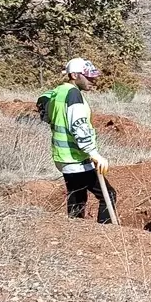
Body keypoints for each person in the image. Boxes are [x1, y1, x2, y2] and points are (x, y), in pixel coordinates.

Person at [39, 58, 117, 223]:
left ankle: (74, 231)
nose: (93, 81)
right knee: (108, 195)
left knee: (77, 198)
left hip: (62, 157)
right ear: (74, 75)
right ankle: (106, 234)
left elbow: (42, 99)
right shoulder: (74, 95)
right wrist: (94, 154)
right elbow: (79, 127)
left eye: (93, 77)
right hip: (76, 158)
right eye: (88, 77)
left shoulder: (59, 92)